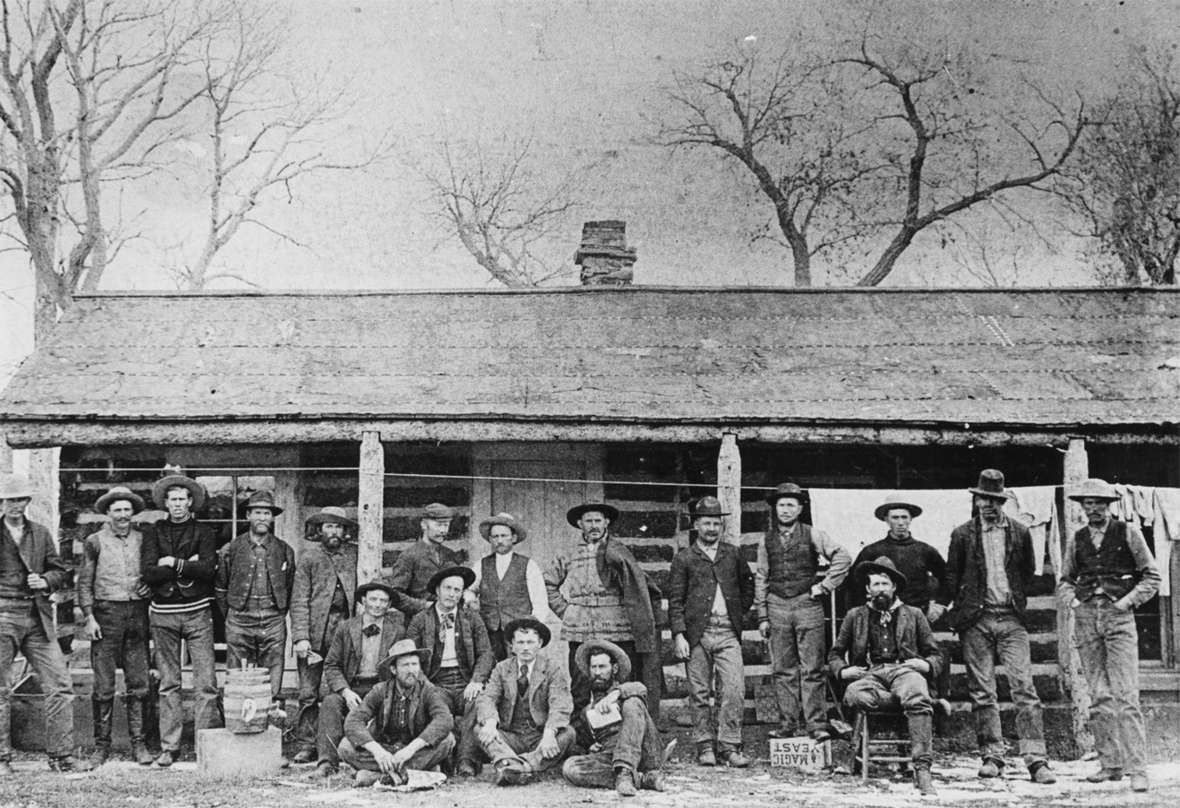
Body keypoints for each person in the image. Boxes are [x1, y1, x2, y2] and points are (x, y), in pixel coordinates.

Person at [938, 469, 1056, 784]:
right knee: (982, 691)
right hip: (977, 622)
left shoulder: (1019, 532)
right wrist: (955, 608)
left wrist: (1013, 601)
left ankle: (1036, 760)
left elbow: (1027, 574)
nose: (988, 505)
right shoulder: (962, 534)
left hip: (1012, 619)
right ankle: (992, 755)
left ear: (1002, 501)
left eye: (994, 499)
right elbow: (952, 576)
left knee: (1024, 688)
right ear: (975, 500)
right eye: (982, 499)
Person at [1060, 478, 1161, 793]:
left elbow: (1152, 576)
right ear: (1082, 508)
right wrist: (1074, 601)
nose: (1093, 509)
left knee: (1126, 695)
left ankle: (1138, 769)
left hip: (1119, 619)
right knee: (1099, 695)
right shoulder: (1077, 539)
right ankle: (1111, 764)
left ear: (1109, 505)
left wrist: (1127, 601)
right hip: (1087, 619)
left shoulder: (1128, 533)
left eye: (1099, 503)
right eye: (1088, 504)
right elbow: (1065, 580)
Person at [829, 557, 943, 796]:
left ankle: (922, 769)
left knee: (913, 688)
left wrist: (924, 664)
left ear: (894, 587)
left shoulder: (913, 614)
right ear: (868, 589)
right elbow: (835, 653)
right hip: (870, 675)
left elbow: (936, 654)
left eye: (885, 584)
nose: (881, 589)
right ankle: (923, 702)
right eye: (876, 585)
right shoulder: (855, 616)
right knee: (854, 694)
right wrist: (843, 670)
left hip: (904, 671)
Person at [0, 474, 90, 775]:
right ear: (2, 502)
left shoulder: (39, 533)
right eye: (10, 500)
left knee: (60, 684)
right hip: (3, 616)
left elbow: (60, 570)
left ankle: (61, 755)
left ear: (27, 502)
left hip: (37, 617)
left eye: (20, 499)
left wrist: (45, 580)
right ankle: (1, 758)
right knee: (1, 688)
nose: (15, 505)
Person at [544, 502, 661, 719]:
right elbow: (548, 583)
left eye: (598, 520)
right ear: (580, 524)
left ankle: (625, 729)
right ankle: (583, 735)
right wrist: (566, 611)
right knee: (580, 683)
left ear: (606, 522)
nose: (594, 526)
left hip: (617, 626)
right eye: (589, 521)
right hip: (580, 627)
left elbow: (639, 586)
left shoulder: (619, 552)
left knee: (622, 681)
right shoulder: (568, 553)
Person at [755, 482, 851, 740]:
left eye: (790, 505)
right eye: (781, 505)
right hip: (777, 606)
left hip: (807, 605)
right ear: (775, 509)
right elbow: (762, 577)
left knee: (812, 668)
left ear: (799, 509)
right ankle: (787, 724)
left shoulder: (813, 534)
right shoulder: (766, 541)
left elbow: (843, 557)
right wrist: (762, 615)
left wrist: (824, 586)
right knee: (783, 668)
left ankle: (816, 725)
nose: (785, 510)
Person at [667, 496, 754, 767]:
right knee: (699, 692)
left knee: (734, 689)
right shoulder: (684, 558)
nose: (712, 529)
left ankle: (728, 745)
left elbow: (747, 587)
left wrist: (737, 612)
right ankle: (704, 745)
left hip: (728, 632)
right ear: (696, 525)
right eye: (706, 523)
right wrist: (680, 634)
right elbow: (676, 600)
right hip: (697, 635)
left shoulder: (733, 554)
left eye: (716, 523)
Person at [140, 470, 219, 767]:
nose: (177, 504)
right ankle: (169, 746)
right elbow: (149, 572)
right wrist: (190, 565)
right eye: (172, 500)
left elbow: (209, 570)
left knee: (206, 682)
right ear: (165, 503)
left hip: (198, 611)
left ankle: (204, 743)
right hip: (163, 614)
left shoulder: (204, 532)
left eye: (182, 499)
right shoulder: (153, 532)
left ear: (190, 502)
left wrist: (172, 562)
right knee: (169, 683)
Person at [76, 485, 153, 766]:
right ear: (108, 512)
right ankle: (101, 747)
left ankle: (139, 745)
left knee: (139, 683)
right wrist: (89, 616)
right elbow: (84, 582)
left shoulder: (143, 539)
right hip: (106, 614)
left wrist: (149, 589)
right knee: (104, 685)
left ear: (133, 512)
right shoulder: (95, 541)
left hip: (136, 614)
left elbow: (152, 574)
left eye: (126, 509)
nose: (122, 514)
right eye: (117, 509)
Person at [851, 493, 951, 704]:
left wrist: (940, 604)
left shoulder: (925, 550)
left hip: (916, 617)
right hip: (880, 619)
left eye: (904, 517)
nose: (900, 523)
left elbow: (948, 578)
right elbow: (854, 584)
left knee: (925, 661)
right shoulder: (873, 550)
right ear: (886, 520)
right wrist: (864, 613)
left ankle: (932, 702)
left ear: (911, 519)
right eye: (895, 518)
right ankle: (893, 703)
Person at [405, 565, 493, 774]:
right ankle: (443, 757)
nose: (452, 594)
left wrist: (477, 680)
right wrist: (426, 685)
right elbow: (410, 657)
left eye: (457, 590)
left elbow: (486, 653)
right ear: (437, 590)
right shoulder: (420, 620)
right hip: (436, 682)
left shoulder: (471, 618)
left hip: (465, 680)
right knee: (437, 707)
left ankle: (466, 760)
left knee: (477, 703)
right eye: (448, 588)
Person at [289, 506, 360, 764]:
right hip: (315, 632)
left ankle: (333, 744)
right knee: (308, 692)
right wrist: (300, 637)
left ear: (344, 531)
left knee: (338, 690)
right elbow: (299, 599)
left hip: (344, 629)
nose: (333, 531)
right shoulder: (309, 558)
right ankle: (307, 744)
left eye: (338, 526)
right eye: (328, 526)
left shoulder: (353, 555)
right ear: (319, 530)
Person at [314, 581, 405, 778]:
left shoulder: (397, 630)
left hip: (382, 687)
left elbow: (401, 665)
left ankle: (375, 761)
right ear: (363, 601)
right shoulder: (346, 628)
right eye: (373, 599)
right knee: (330, 703)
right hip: (352, 686)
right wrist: (345, 692)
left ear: (389, 605)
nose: (378, 605)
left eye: (383, 601)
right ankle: (327, 763)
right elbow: (331, 665)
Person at [215, 491, 296, 708]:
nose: (262, 518)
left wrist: (278, 612)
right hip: (239, 619)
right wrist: (234, 613)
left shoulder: (284, 550)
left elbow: (289, 586)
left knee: (272, 669)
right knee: (238, 670)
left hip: (272, 620)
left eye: (266, 513)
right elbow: (221, 588)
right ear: (248, 516)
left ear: (272, 517)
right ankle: (237, 717)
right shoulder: (230, 549)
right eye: (257, 512)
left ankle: (269, 717)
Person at [472, 617, 575, 784]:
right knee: (479, 729)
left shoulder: (552, 668)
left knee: (568, 734)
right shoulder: (502, 668)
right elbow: (487, 697)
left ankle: (515, 766)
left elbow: (560, 704)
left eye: (530, 642)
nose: (525, 647)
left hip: (540, 737)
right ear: (512, 645)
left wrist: (549, 733)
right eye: (520, 642)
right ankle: (523, 765)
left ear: (540, 643)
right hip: (511, 737)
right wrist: (490, 722)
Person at [339, 638, 455, 786]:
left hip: (414, 752)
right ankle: (414, 773)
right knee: (345, 747)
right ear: (394, 670)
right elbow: (353, 721)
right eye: (405, 665)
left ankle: (377, 777)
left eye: (415, 664)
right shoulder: (380, 690)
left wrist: (410, 750)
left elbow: (444, 719)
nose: (411, 670)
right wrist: (378, 751)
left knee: (447, 740)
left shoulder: (428, 690)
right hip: (385, 749)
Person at [562, 639, 670, 796]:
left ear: (614, 668)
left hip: (646, 753)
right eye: (594, 667)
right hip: (612, 756)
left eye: (602, 667)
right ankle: (642, 779)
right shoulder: (588, 711)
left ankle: (627, 771)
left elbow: (641, 689)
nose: (597, 672)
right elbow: (585, 742)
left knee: (632, 704)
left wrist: (615, 694)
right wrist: (591, 747)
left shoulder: (628, 691)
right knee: (570, 768)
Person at [472, 513, 549, 660]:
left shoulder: (528, 565)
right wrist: (470, 598)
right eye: (495, 537)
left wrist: (531, 629)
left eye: (503, 536)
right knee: (492, 668)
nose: (499, 541)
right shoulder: (481, 565)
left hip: (518, 631)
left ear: (513, 538)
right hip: (490, 632)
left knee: (517, 669)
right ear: (490, 539)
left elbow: (540, 602)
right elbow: (469, 589)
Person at [388, 503, 463, 616]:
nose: (443, 530)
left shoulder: (450, 555)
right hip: (419, 622)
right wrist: (426, 606)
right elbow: (395, 595)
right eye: (439, 525)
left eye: (446, 525)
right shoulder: (409, 556)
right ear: (424, 525)